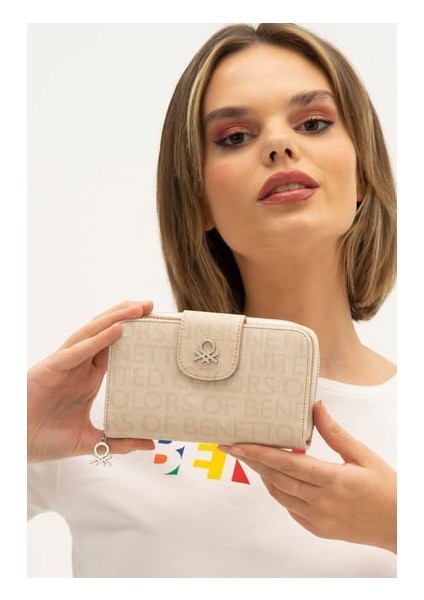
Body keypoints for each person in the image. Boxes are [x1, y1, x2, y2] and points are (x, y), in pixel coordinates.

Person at [27, 23, 397, 577]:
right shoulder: (97, 413)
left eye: (314, 123)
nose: (280, 144)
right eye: (235, 136)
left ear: (363, 172)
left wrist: (400, 523)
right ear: (196, 198)